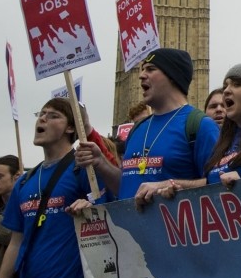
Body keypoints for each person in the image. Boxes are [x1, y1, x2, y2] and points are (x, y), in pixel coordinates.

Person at [0, 100, 105, 278]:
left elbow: (109, 216)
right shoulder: (24, 182)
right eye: (41, 114)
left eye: (53, 115)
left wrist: (91, 207)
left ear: (70, 127)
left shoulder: (84, 170)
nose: (42, 118)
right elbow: (15, 244)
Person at [74, 48, 219, 208]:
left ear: (173, 76)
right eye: (143, 69)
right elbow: (126, 187)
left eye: (150, 69)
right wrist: (100, 162)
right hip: (130, 224)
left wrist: (171, 184)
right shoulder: (138, 129)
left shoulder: (200, 125)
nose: (141, 75)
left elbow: (219, 184)